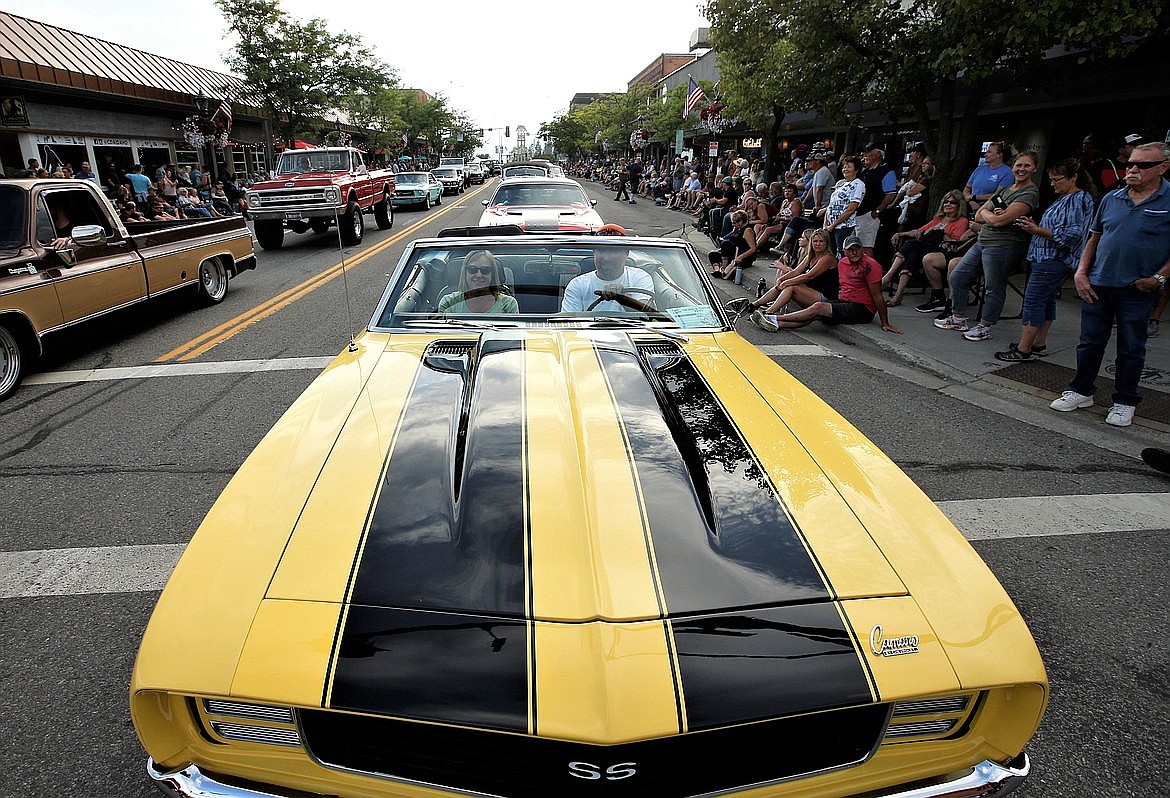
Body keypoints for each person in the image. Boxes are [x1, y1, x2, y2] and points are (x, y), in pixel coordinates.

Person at [1049, 141, 1170, 427]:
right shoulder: (1112, 198)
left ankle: (1125, 400)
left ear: (1163, 167)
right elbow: (1094, 236)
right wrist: (1081, 272)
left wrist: (1159, 278)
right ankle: (1080, 390)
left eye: (1143, 165)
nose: (1133, 170)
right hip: (1099, 283)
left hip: (1138, 288)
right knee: (1090, 343)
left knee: (1131, 347)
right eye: (1131, 164)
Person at [994, 158, 1095, 361]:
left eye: (1057, 179)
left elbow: (1071, 234)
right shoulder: (1067, 198)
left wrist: (1036, 229)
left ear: (1074, 177)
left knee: (1034, 302)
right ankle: (1037, 343)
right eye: (1051, 179)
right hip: (1048, 257)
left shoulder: (1077, 199)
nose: (1053, 183)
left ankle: (1024, 349)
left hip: (1053, 258)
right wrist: (1035, 226)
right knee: (1046, 301)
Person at [935, 151, 1040, 341]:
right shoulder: (1006, 189)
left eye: (1026, 166)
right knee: (958, 276)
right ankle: (958, 317)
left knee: (993, 286)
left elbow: (1002, 221)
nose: (1021, 169)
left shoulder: (1030, 193)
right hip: (982, 241)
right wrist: (995, 217)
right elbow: (980, 214)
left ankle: (985, 326)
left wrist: (994, 218)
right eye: (1018, 165)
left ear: (1035, 168)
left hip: (1003, 246)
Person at [750, 235, 901, 333]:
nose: (854, 252)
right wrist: (783, 280)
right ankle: (776, 323)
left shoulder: (871, 265)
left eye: (857, 249)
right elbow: (798, 272)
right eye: (850, 250)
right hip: (844, 301)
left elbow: (877, 296)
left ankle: (772, 318)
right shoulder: (842, 262)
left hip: (863, 308)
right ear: (844, 252)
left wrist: (885, 323)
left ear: (862, 250)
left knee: (818, 307)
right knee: (816, 314)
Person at [882, 190, 969, 306]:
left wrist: (939, 233)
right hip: (926, 248)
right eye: (945, 202)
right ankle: (898, 294)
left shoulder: (962, 221)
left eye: (952, 202)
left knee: (911, 244)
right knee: (913, 254)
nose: (947, 204)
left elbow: (956, 242)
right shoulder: (938, 219)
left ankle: (888, 276)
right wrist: (901, 234)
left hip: (944, 250)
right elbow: (918, 232)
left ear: (959, 205)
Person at [747, 228, 838, 325]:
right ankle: (754, 305)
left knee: (791, 286)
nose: (818, 244)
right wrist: (781, 279)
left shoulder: (828, 258)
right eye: (815, 241)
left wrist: (786, 282)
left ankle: (768, 313)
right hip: (809, 291)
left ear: (826, 243)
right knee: (787, 283)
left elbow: (808, 276)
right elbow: (796, 271)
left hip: (824, 297)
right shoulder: (810, 256)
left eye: (821, 241)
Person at [562, 243, 654, 313]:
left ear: (627, 254)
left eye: (614, 251)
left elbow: (645, 314)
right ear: (594, 253)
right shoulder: (577, 285)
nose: (607, 259)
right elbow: (569, 324)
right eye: (601, 251)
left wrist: (623, 299)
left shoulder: (640, 277)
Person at [855, 142, 899, 259]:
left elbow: (891, 194)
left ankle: (870, 273)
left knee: (866, 246)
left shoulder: (886, 171)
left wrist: (877, 211)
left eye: (868, 152)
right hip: (858, 213)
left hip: (870, 215)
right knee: (857, 245)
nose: (865, 155)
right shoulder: (866, 171)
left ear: (878, 154)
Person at [437, 251, 519, 314]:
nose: (479, 275)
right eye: (472, 269)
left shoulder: (508, 304)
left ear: (492, 274)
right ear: (465, 273)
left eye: (485, 270)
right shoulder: (448, 302)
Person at [821, 155, 865, 255]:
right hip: (830, 226)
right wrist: (826, 224)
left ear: (856, 170)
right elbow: (831, 205)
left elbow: (851, 209)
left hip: (844, 226)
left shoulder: (858, 184)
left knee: (841, 253)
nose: (845, 169)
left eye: (849, 167)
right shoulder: (841, 184)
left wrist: (833, 225)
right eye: (844, 167)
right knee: (830, 253)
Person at [709, 210, 759, 283]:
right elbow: (736, 244)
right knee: (713, 254)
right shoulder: (738, 229)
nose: (733, 224)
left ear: (740, 222)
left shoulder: (748, 230)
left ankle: (724, 268)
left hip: (745, 256)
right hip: (737, 253)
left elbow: (753, 248)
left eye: (734, 222)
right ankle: (718, 270)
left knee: (725, 244)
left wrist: (740, 257)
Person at [963, 141, 1013, 216]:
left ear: (999, 155)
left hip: (989, 210)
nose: (985, 155)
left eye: (989, 152)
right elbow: (966, 190)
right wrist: (972, 202)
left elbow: (998, 195)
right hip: (970, 207)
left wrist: (974, 197)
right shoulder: (979, 169)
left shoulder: (1007, 172)